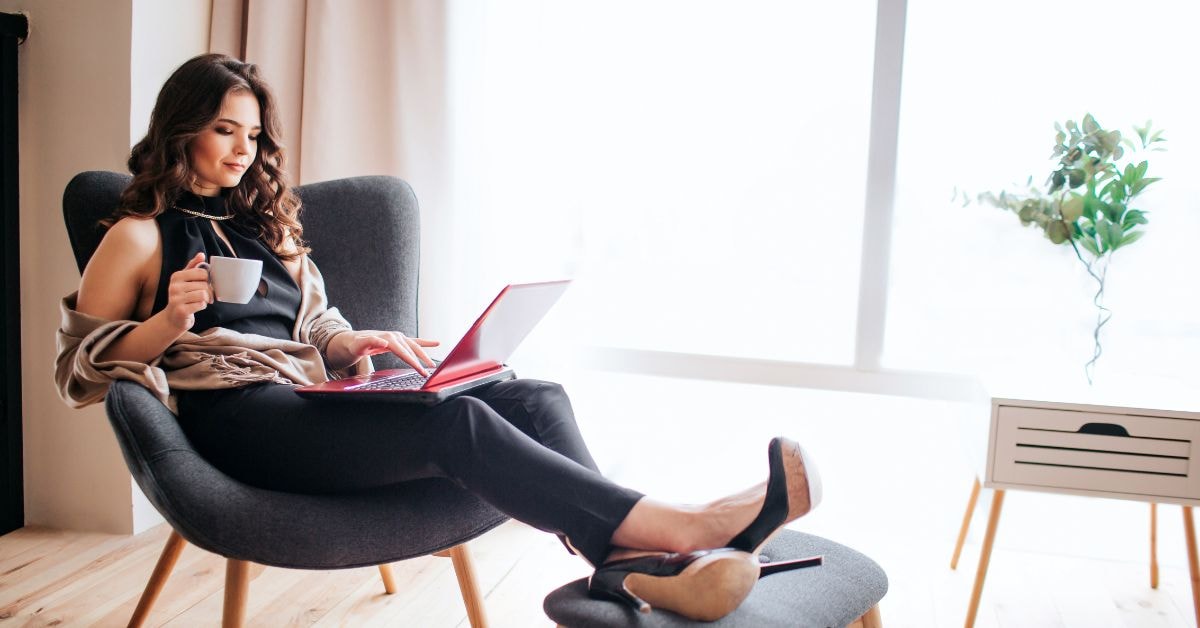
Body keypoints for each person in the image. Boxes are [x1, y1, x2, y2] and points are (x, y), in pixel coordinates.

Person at [54, 53, 821, 622]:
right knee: (453, 421)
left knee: (531, 393)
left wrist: (352, 345)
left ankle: (626, 564)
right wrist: (166, 324)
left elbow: (315, 325)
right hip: (239, 424)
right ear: (181, 126)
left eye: (253, 134)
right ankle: (678, 531)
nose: (242, 149)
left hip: (307, 402)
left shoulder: (269, 224)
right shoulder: (138, 238)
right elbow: (79, 373)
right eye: (225, 130)